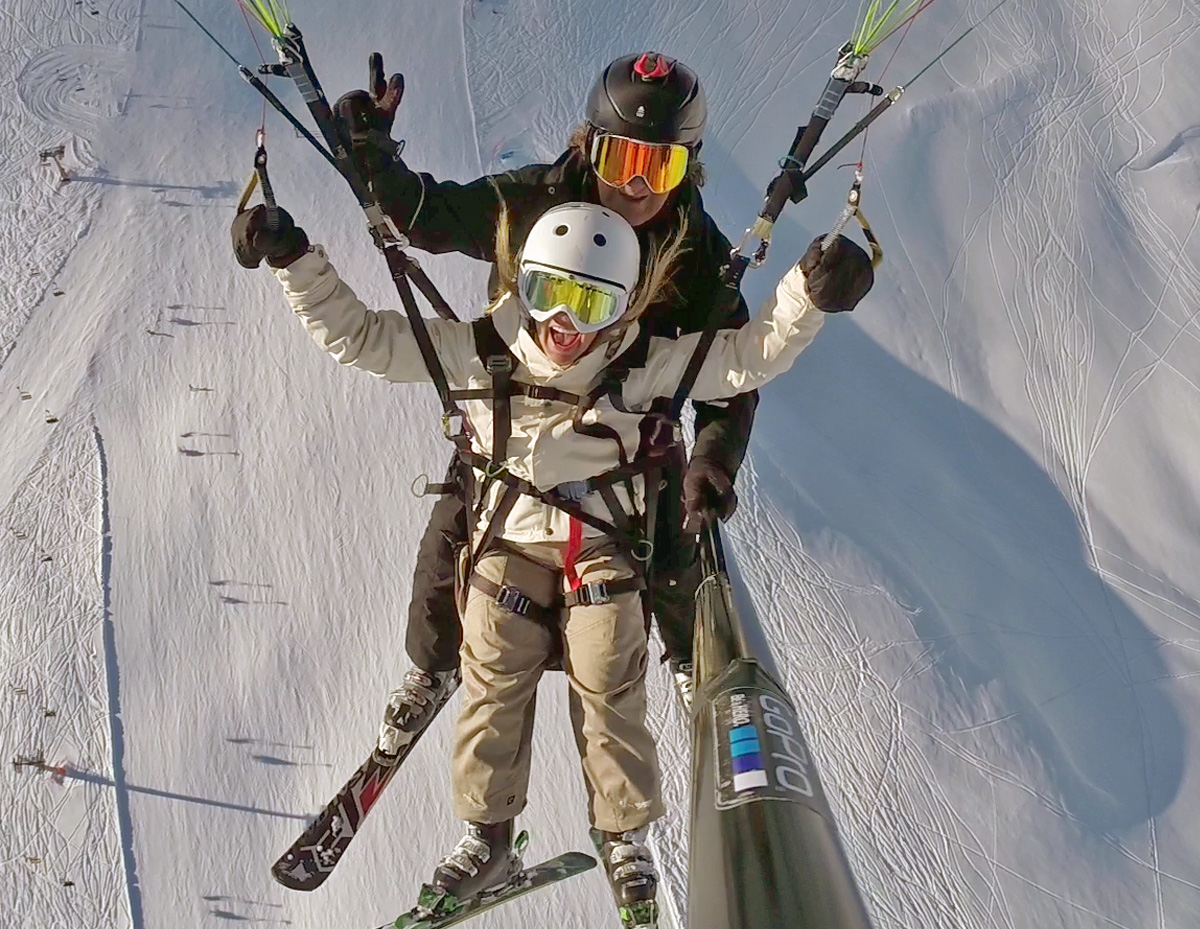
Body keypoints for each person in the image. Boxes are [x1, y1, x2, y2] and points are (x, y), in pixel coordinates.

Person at [232, 195, 872, 915]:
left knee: (607, 669)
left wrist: (803, 296)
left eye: (590, 303)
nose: (566, 323)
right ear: (524, 285)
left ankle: (623, 831)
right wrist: (293, 260)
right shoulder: (482, 348)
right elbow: (362, 337)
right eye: (550, 293)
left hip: (599, 545)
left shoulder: (641, 364)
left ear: (624, 306)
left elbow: (741, 360)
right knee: (493, 663)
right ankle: (487, 832)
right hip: (509, 537)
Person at [332, 52, 758, 748]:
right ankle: (433, 667)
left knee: (675, 532)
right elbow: (432, 216)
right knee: (455, 533)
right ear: (588, 147)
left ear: (690, 169)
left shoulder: (695, 253)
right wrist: (374, 157)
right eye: (622, 159)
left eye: (663, 167)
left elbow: (729, 371)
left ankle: (690, 659)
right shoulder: (537, 202)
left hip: (626, 432)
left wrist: (712, 459)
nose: (638, 187)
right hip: (520, 410)